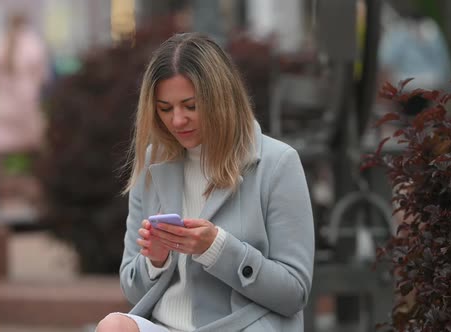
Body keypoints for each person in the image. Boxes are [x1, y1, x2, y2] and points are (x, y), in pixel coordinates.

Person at [96, 33, 315, 332]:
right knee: (114, 327)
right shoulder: (153, 162)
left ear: (221, 99)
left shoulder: (277, 163)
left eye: (190, 106)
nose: (177, 120)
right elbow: (133, 292)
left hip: (242, 327)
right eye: (165, 108)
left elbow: (294, 293)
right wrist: (155, 261)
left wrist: (218, 249)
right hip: (165, 325)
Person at [0, 12, 49, 209]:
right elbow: (43, 76)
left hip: (2, 107)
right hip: (26, 107)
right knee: (36, 153)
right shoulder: (33, 44)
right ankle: (42, 197)